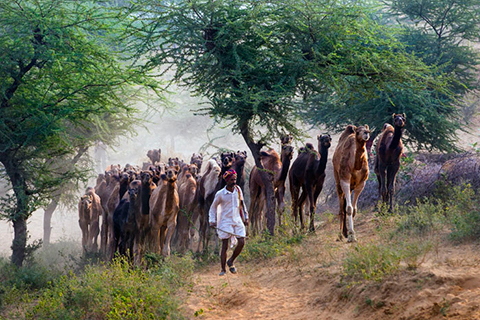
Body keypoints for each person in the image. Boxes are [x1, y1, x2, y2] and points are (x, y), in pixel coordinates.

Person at [209, 169, 249, 276]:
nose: (234, 182)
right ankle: (223, 269)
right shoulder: (220, 194)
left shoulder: (238, 190)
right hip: (225, 221)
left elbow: (242, 204)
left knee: (242, 242)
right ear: (227, 181)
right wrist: (212, 221)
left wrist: (246, 217)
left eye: (235, 179)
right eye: (232, 180)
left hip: (237, 220)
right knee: (225, 245)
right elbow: (213, 208)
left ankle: (231, 261)